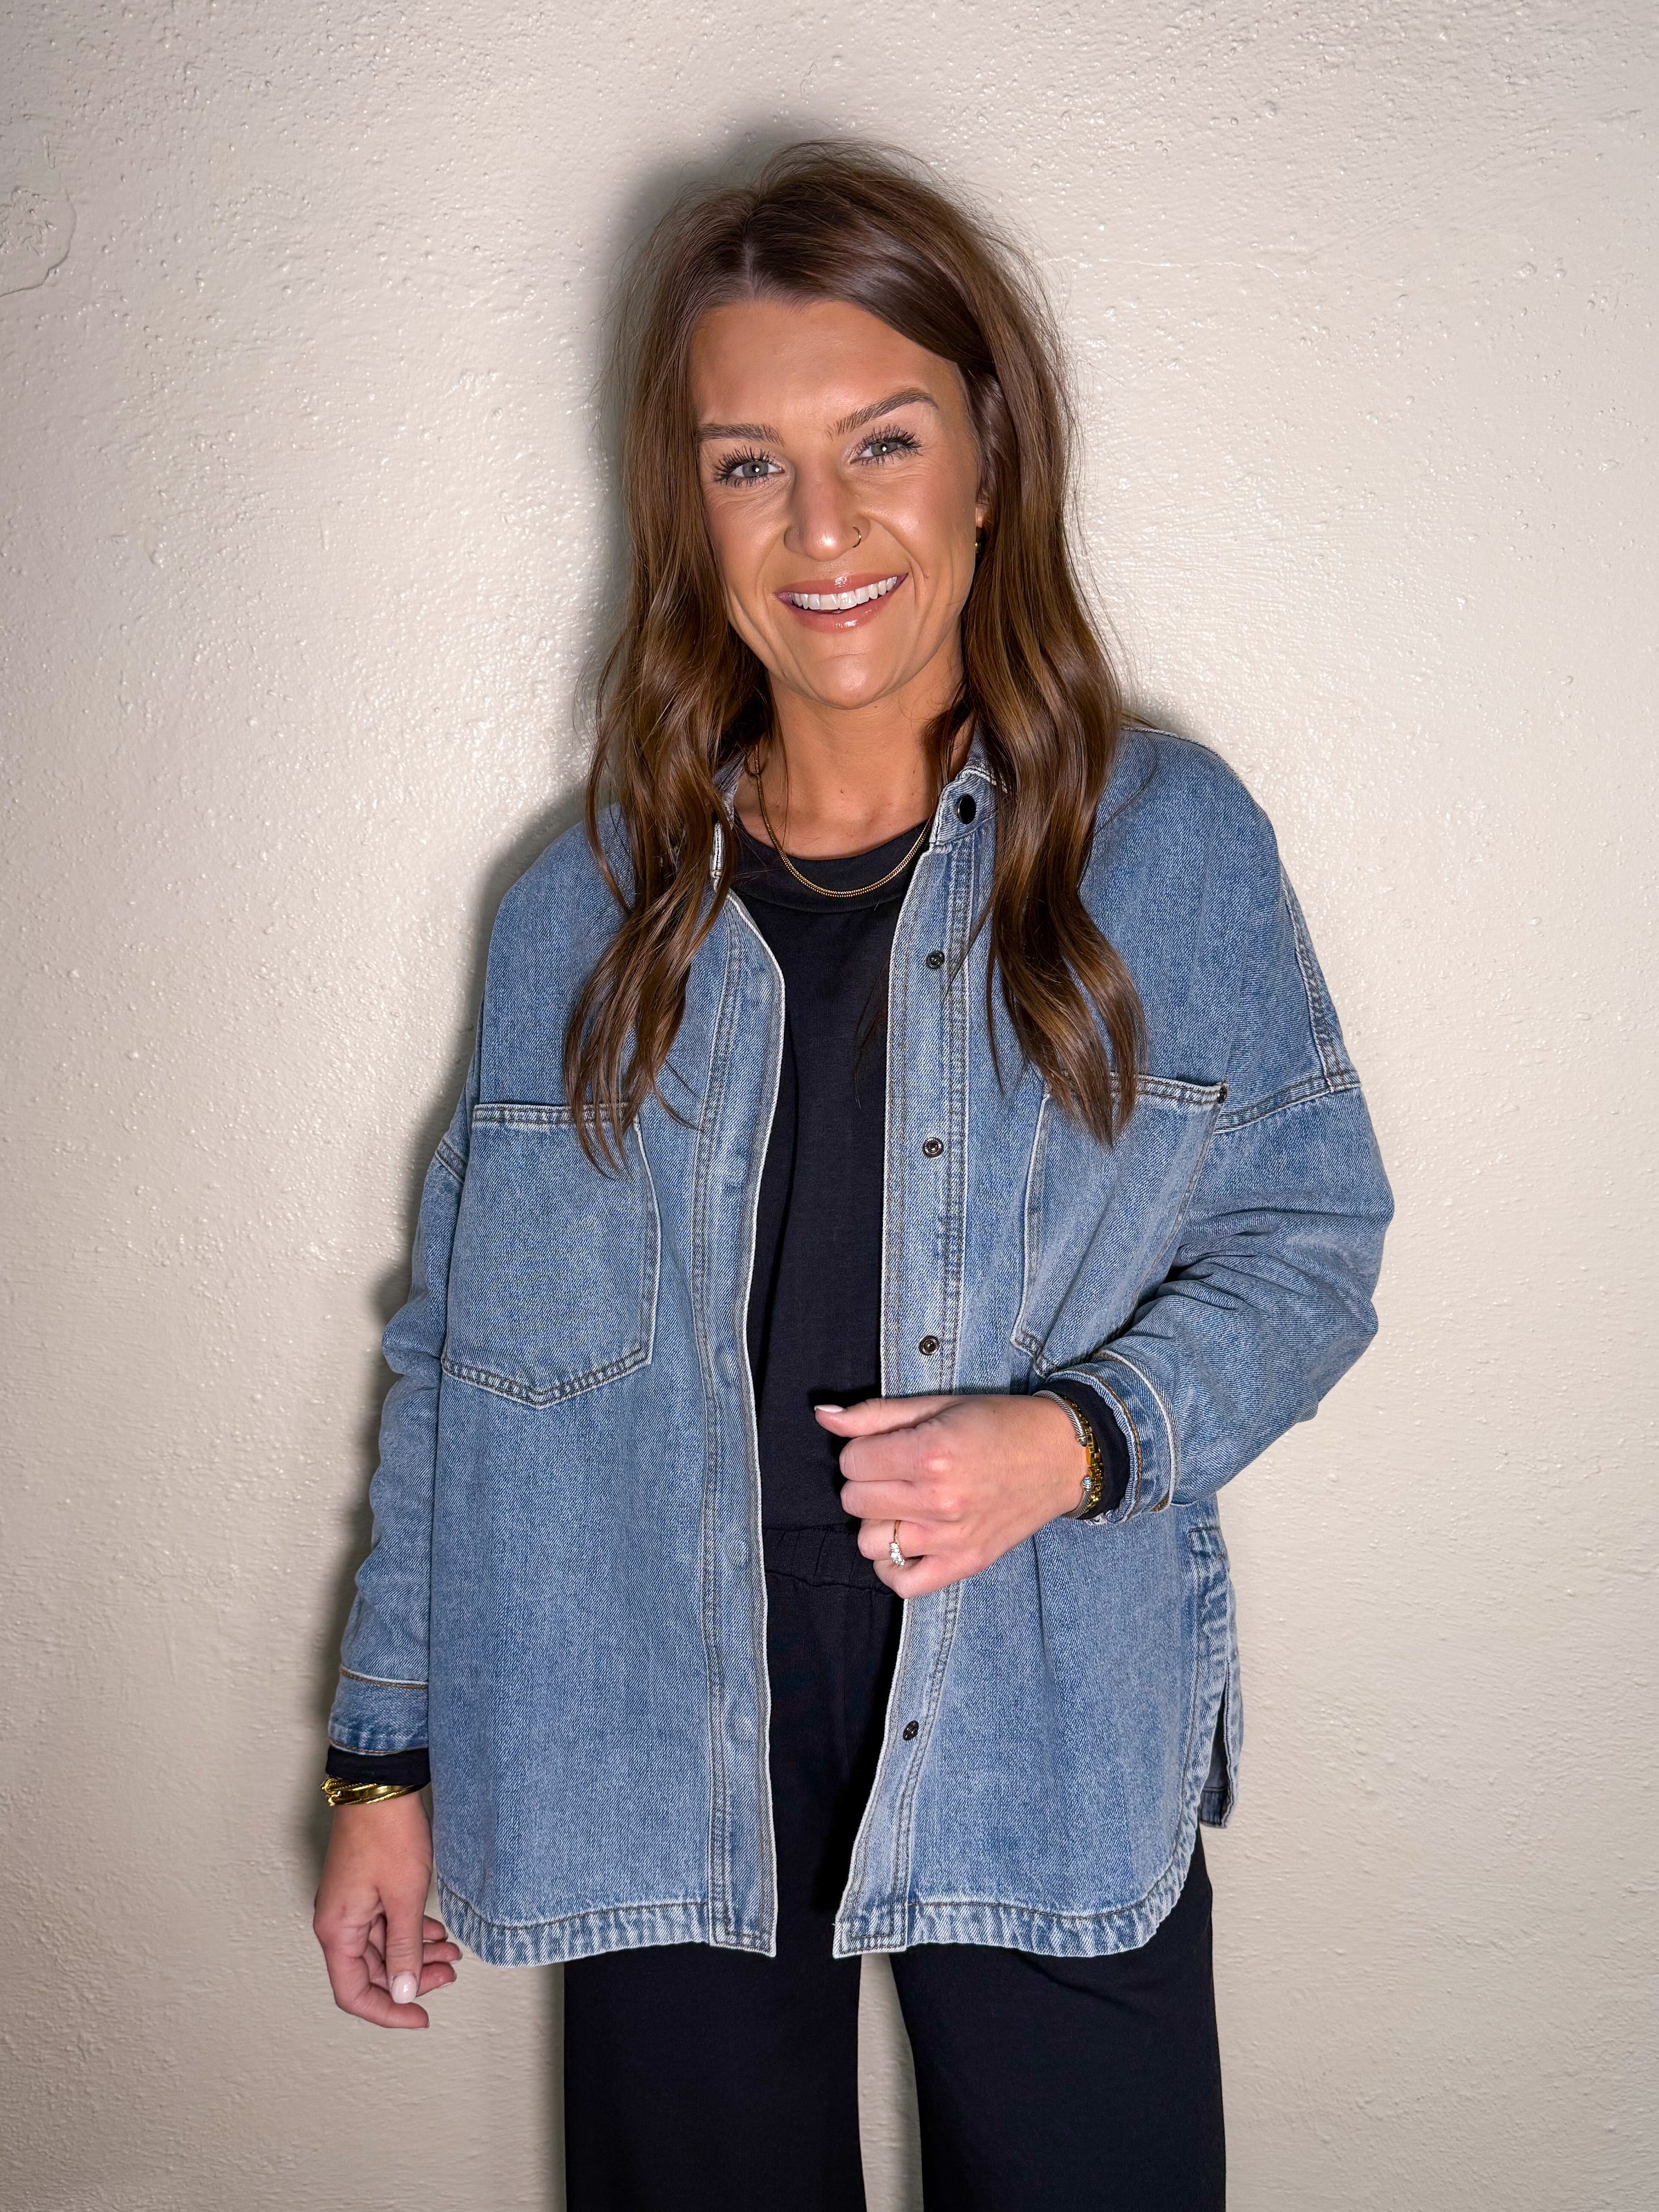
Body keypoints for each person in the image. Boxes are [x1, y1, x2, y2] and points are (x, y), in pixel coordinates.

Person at [311, 142, 1394, 2210]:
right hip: (650, 1725)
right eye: (750, 464)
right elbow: (462, 1358)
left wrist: (1074, 1444)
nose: (821, 528)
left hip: (1042, 1716)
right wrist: (383, 1760)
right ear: (688, 505)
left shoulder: (1165, 849)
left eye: (881, 441)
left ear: (989, 459)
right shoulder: (577, 912)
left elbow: (1310, 1245)